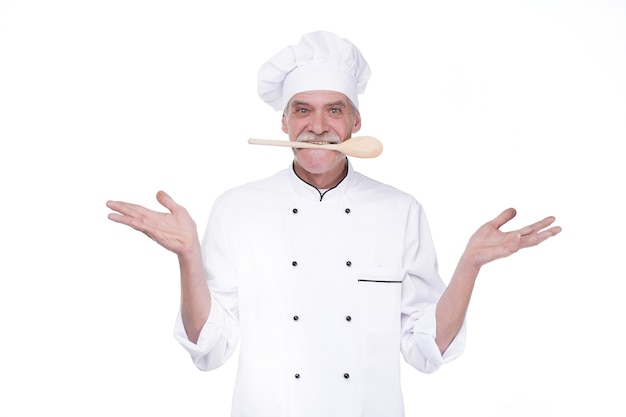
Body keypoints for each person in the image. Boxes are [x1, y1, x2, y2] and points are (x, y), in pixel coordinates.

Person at [106, 31, 561, 417]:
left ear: (356, 122)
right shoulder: (237, 208)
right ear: (284, 122)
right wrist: (188, 257)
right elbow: (210, 348)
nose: (318, 125)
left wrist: (469, 266)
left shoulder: (399, 210)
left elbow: (426, 350)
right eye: (302, 110)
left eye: (334, 110)